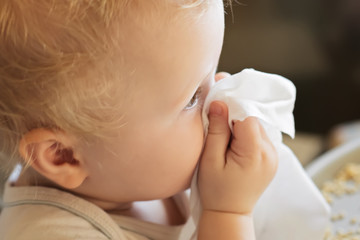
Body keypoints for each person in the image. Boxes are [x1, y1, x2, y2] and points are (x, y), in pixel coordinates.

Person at [0, 0, 277, 239]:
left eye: (213, 73)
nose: (220, 96)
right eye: (192, 97)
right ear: (63, 155)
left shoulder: (127, 170)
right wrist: (229, 213)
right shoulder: (52, 235)